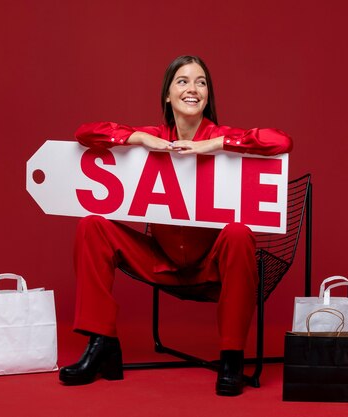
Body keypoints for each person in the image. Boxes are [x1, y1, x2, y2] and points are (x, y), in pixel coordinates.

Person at [59, 55, 292, 396]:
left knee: (239, 232)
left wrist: (212, 145)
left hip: (211, 264)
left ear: (208, 95)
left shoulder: (222, 137)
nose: (192, 89)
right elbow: (84, 133)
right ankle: (101, 343)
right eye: (182, 81)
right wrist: (137, 138)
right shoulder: (152, 136)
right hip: (160, 260)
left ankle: (231, 356)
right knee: (91, 225)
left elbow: (281, 141)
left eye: (201, 82)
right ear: (167, 95)